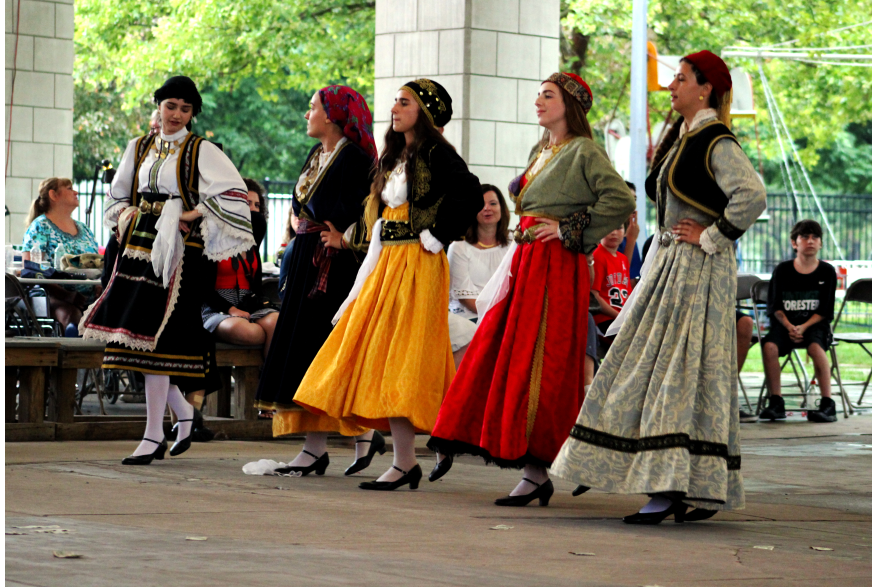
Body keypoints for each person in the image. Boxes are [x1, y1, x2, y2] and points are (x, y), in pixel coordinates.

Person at [551, 51, 767, 523]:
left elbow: (752, 194)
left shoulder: (715, 139)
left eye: (681, 79)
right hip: (670, 265)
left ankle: (673, 487)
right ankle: (680, 482)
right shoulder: (687, 136)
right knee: (644, 363)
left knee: (681, 372)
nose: (672, 86)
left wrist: (710, 236)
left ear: (705, 88)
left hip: (695, 270)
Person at [428, 72, 635, 506]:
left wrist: (567, 229)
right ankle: (532, 469)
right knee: (506, 350)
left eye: (548, 95)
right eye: (538, 94)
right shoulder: (542, 149)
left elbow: (620, 199)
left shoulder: (584, 150)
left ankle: (539, 466)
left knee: (544, 359)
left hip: (557, 266)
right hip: (526, 261)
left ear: (571, 105)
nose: (538, 101)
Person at [291, 78, 482, 490]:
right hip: (389, 261)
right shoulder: (397, 156)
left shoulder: (435, 152)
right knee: (375, 349)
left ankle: (409, 457)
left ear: (425, 112)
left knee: (404, 356)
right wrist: (352, 240)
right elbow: (375, 217)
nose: (394, 108)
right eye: (395, 101)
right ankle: (409, 456)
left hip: (418, 262)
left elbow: (469, 191)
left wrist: (440, 232)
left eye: (405, 102)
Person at [80, 75, 254, 465]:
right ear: (158, 106)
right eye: (170, 105)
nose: (176, 114)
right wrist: (129, 214)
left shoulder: (200, 150)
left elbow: (233, 193)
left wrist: (190, 212)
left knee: (157, 345)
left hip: (180, 257)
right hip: (138, 249)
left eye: (185, 108)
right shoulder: (138, 147)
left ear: (192, 113)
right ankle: (182, 414)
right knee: (135, 341)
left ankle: (153, 433)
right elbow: (117, 197)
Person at [253, 85, 382, 475]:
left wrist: (346, 239)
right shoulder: (319, 154)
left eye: (313, 108)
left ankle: (338, 441)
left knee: (322, 350)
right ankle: (326, 445)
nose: (307, 114)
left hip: (333, 269)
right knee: (307, 351)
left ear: (333, 115)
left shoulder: (355, 160)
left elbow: (374, 212)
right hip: (308, 260)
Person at [759, 220, 838, 423]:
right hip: (785, 324)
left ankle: (827, 403)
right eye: (804, 237)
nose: (810, 241)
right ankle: (776, 401)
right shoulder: (782, 270)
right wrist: (789, 326)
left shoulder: (827, 272)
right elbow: (774, 306)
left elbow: (825, 311)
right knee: (768, 346)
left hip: (814, 325)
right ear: (794, 243)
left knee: (815, 347)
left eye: (815, 237)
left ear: (820, 243)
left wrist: (803, 327)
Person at [201, 178, 278, 359]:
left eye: (257, 205)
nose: (252, 209)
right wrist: (231, 309)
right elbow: (203, 288)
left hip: (247, 306)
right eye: (247, 203)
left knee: (277, 324)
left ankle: (266, 382)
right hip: (216, 309)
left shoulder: (252, 245)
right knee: (254, 333)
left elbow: (256, 288)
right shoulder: (213, 238)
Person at [22, 177, 100, 335]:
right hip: (53, 297)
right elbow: (32, 271)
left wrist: (99, 285)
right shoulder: (40, 227)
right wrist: (67, 296)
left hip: (90, 298)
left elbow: (98, 264)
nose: (76, 192)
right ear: (53, 195)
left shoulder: (85, 229)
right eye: (70, 188)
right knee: (72, 316)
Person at [447, 184, 511, 367]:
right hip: (469, 317)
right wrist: (497, 316)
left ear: (502, 209)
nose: (487, 208)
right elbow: (466, 298)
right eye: (481, 204)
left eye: (493, 203)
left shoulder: (513, 245)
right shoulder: (458, 248)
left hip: (504, 314)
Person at [590, 222, 631, 331]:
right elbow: (594, 296)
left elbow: (628, 295)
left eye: (618, 228)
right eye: (608, 227)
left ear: (625, 232)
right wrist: (620, 317)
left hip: (621, 317)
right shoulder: (597, 256)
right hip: (604, 319)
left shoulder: (623, 259)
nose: (613, 232)